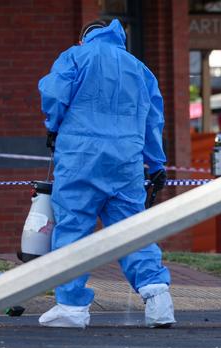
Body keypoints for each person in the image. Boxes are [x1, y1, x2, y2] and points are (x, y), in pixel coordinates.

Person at [37, 19, 173, 329]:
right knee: (132, 231)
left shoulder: (75, 56)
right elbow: (153, 120)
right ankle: (158, 299)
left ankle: (71, 308)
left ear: (86, 38)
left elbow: (54, 95)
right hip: (125, 163)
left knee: (73, 230)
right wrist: (157, 163)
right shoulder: (139, 69)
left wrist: (53, 127)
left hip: (80, 157)